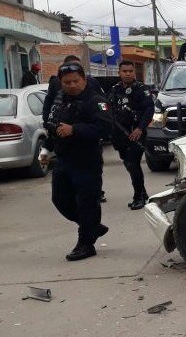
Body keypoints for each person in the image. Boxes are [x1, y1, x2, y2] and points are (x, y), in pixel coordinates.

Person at [39, 62, 112, 261]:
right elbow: (53, 126)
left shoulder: (96, 101)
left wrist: (75, 129)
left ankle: (86, 243)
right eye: (66, 82)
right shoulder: (60, 101)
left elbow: (105, 129)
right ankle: (92, 227)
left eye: (75, 81)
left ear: (84, 80)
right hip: (63, 159)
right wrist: (46, 148)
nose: (71, 85)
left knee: (87, 203)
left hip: (86, 161)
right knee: (60, 199)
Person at [108, 61, 154, 210]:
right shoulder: (115, 89)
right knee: (128, 164)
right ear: (119, 73)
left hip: (136, 133)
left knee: (133, 164)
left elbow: (149, 110)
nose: (127, 73)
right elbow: (107, 107)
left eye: (130, 71)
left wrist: (140, 128)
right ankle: (143, 193)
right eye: (124, 71)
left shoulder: (141, 89)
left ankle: (138, 196)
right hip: (120, 134)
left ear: (134, 72)